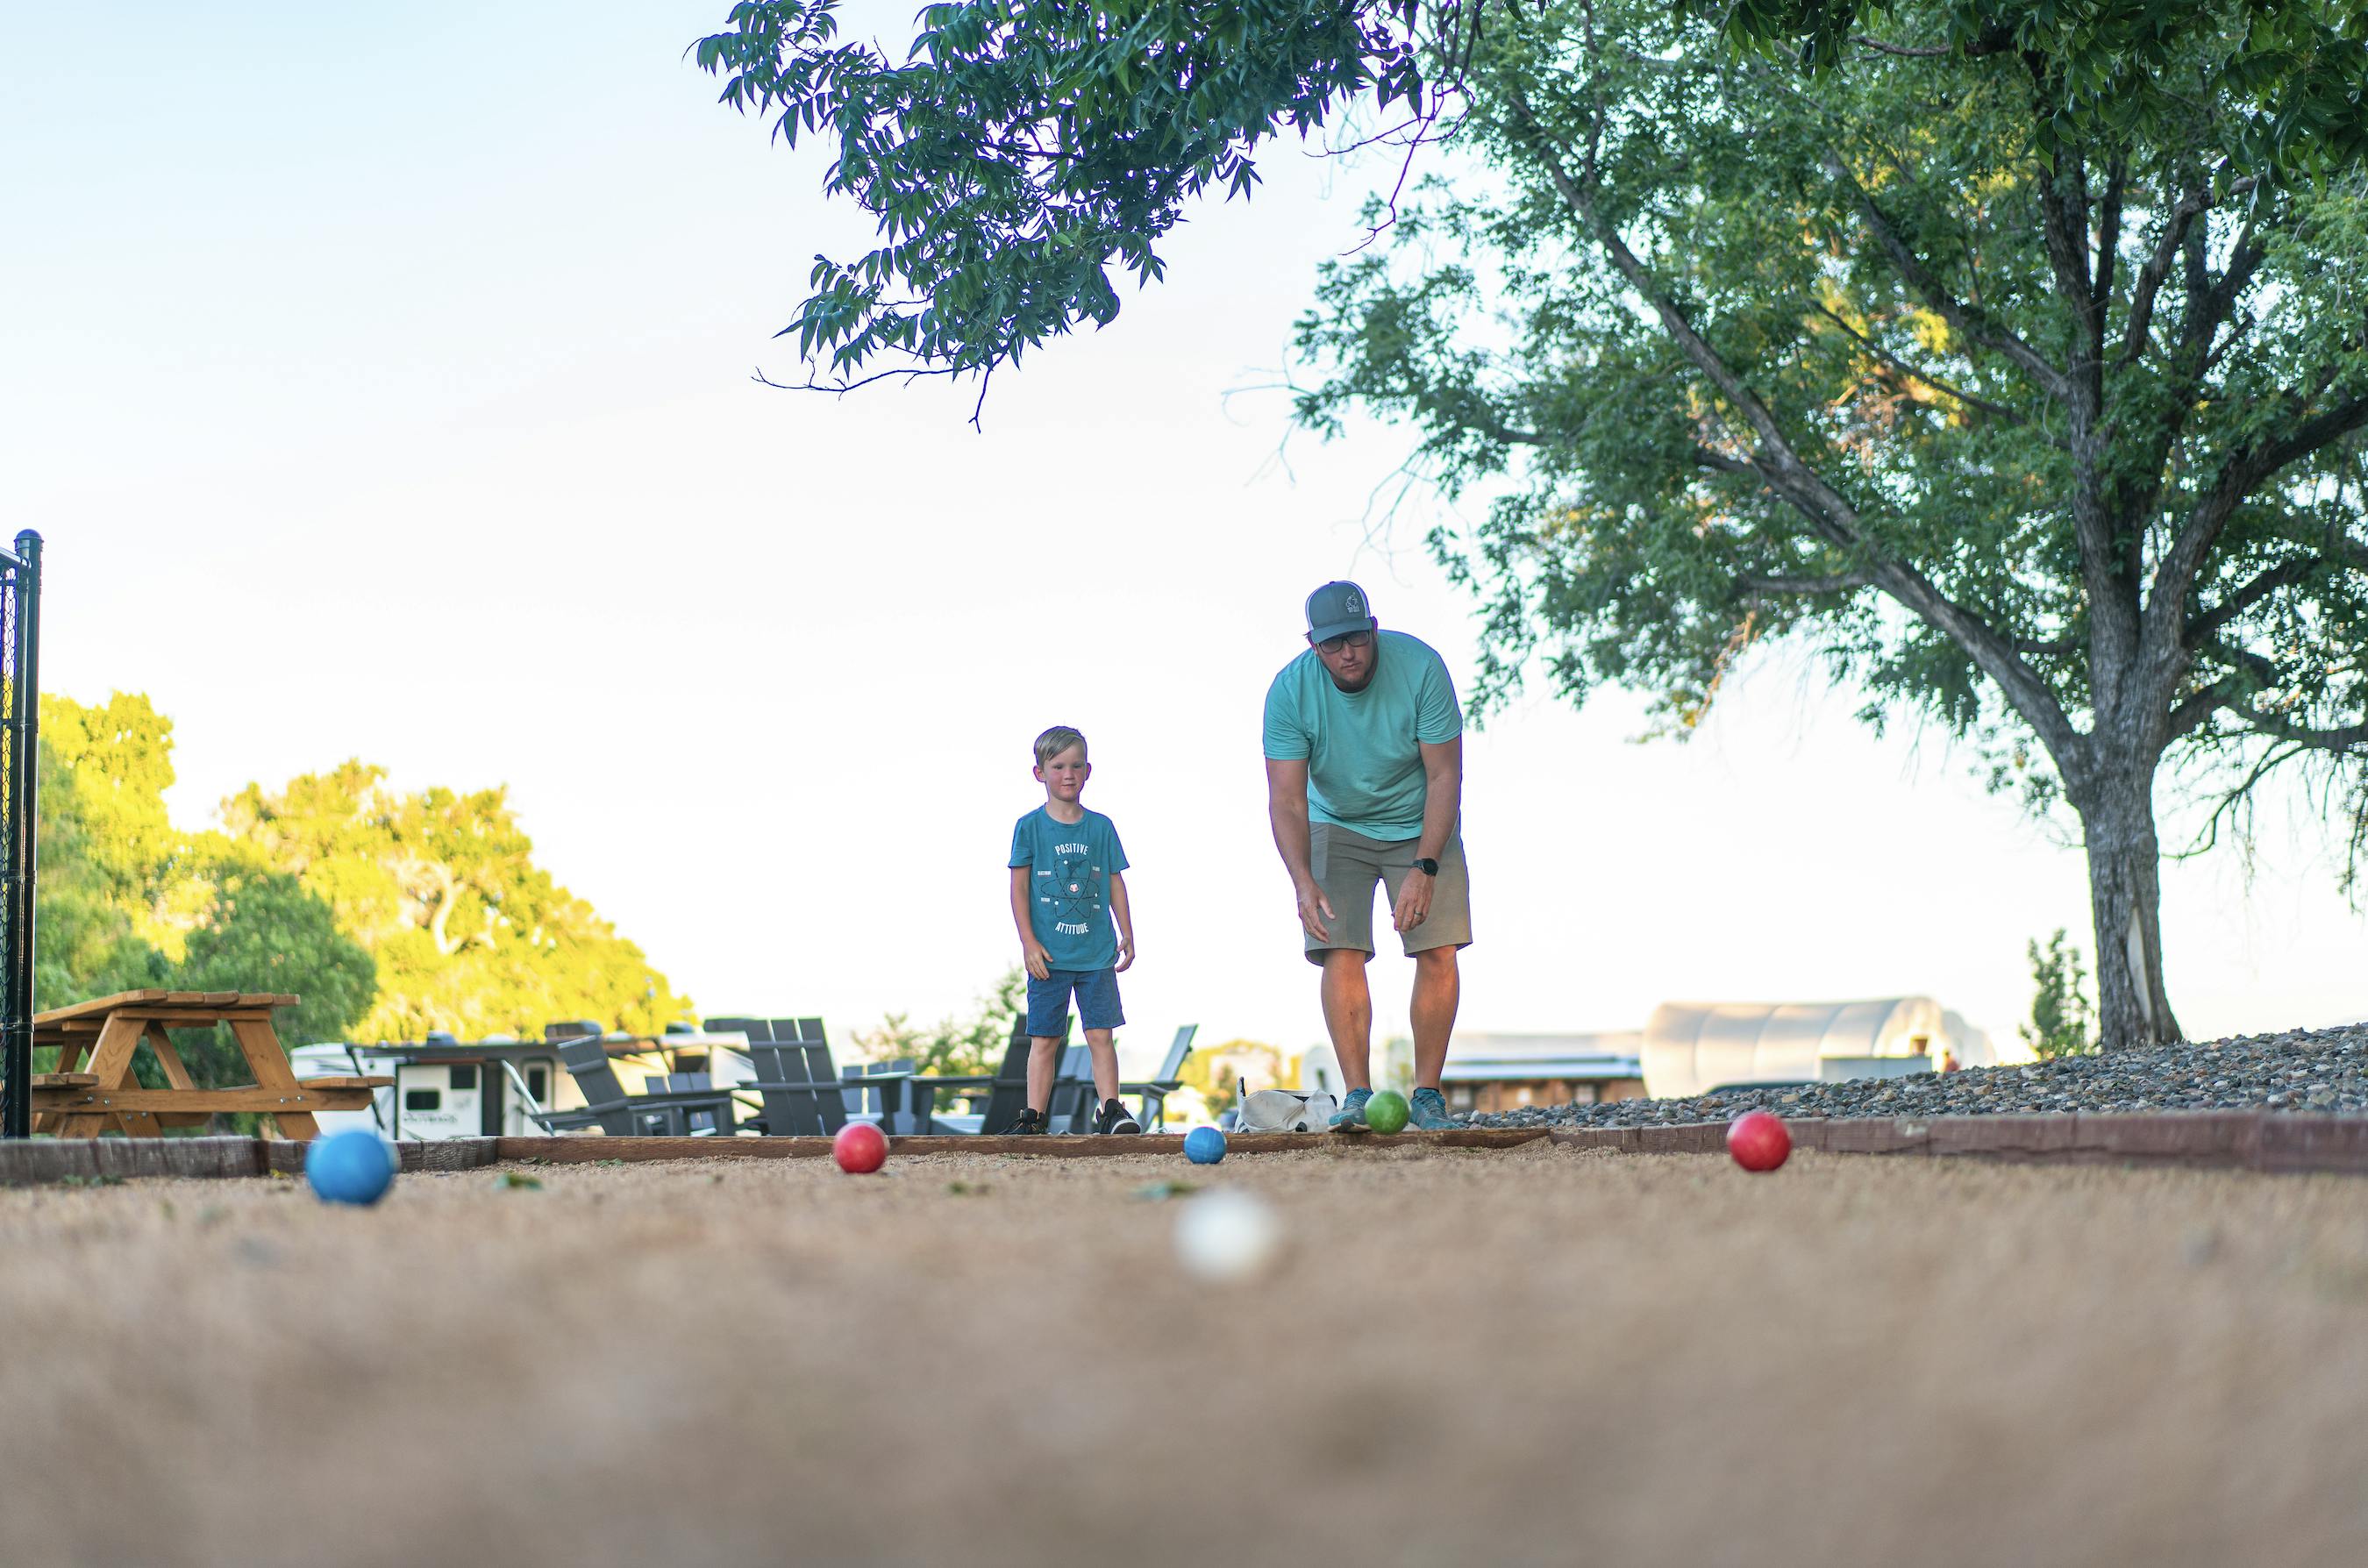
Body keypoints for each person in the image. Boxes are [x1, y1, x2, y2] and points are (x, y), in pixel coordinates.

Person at [1263, 581, 1468, 1131]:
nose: (1347, 653)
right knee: (1340, 948)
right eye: (1333, 644)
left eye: (1356, 638)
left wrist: (1425, 867)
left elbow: (1445, 774)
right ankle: (1357, 1094)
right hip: (1335, 821)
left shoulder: (1421, 667)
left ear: (1373, 629)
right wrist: (1302, 880)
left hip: (1420, 819)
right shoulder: (1290, 692)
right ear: (1313, 644)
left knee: (1439, 949)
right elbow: (1285, 798)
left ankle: (1427, 1094)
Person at [1007, 724, 1139, 1134]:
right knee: (1045, 1040)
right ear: (1039, 773)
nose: (1068, 774)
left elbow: (1115, 880)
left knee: (1101, 1036)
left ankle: (1112, 1110)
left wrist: (1128, 931)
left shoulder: (1101, 827)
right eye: (1058, 765)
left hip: (1096, 954)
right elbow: (1019, 888)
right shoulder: (1029, 827)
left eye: (1076, 765)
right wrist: (1029, 943)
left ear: (1088, 771)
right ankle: (1034, 1117)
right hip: (1049, 956)